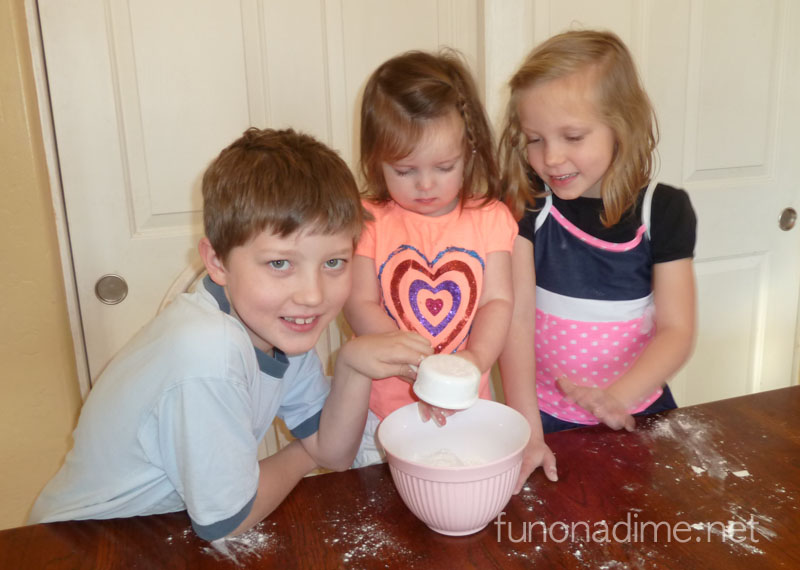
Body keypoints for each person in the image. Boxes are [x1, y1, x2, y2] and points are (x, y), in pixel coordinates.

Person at [28, 128, 431, 540]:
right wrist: (302, 451)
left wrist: (352, 368)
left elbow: (335, 452)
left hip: (155, 532)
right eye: (279, 264)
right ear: (217, 262)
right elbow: (227, 521)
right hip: (82, 543)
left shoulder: (278, 326)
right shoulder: (208, 351)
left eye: (334, 263)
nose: (312, 295)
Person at [497, 30, 697, 474]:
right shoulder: (528, 203)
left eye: (572, 136)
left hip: (639, 411)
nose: (551, 158)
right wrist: (528, 428)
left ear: (621, 125)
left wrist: (616, 399)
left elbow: (676, 330)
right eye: (534, 139)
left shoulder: (663, 211)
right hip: (542, 415)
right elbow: (515, 317)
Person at [343, 50, 517, 468]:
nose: (424, 184)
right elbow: (358, 303)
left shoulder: (490, 218)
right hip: (380, 410)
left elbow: (498, 301)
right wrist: (414, 359)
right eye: (403, 170)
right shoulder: (369, 220)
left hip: (464, 407)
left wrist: (474, 361)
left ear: (470, 150)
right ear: (375, 159)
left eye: (443, 166)